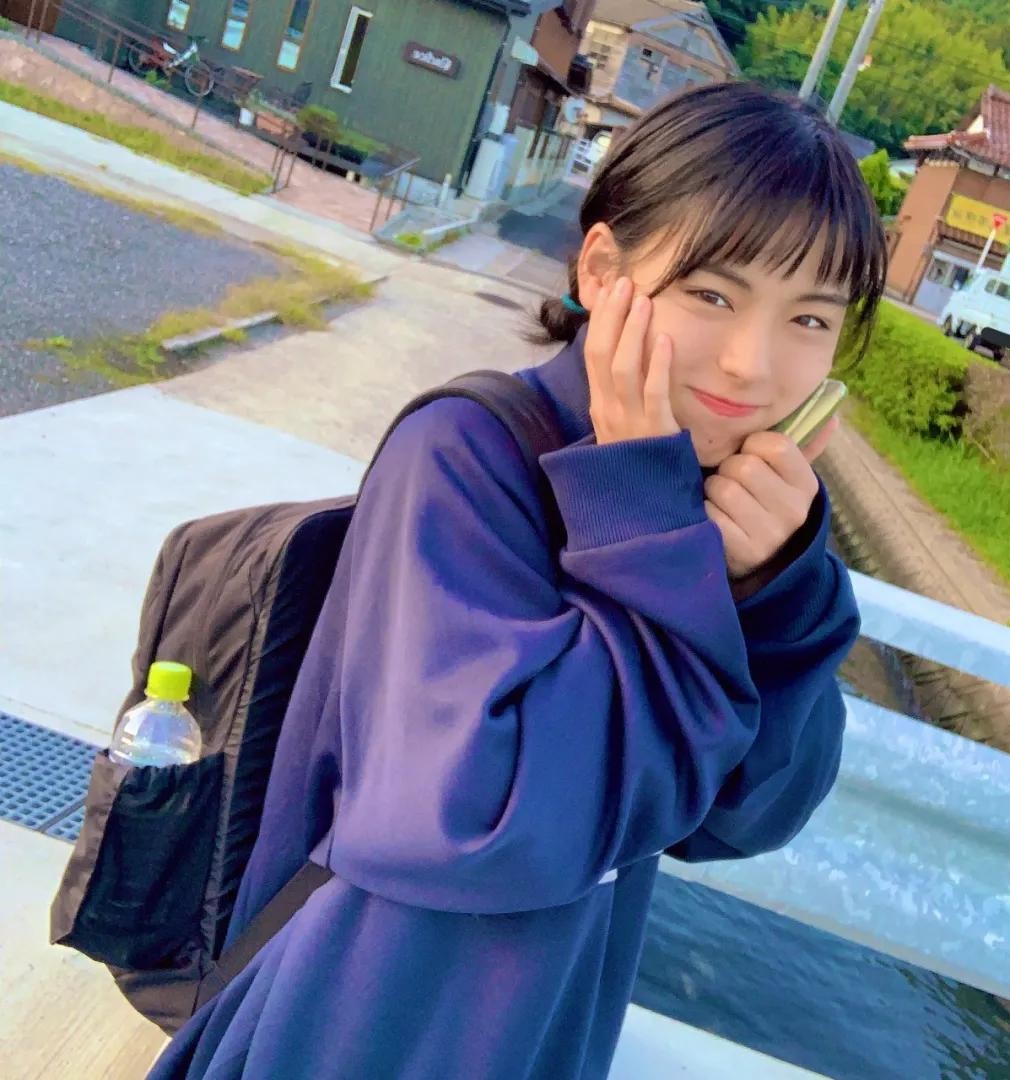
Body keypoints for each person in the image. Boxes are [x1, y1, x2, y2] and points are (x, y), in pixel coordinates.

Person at [149, 82, 886, 1080]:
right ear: (602, 269)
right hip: (348, 1033)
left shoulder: (722, 513)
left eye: (809, 318)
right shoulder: (465, 456)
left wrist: (779, 595)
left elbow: (747, 816)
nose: (754, 364)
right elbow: (489, 819)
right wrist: (642, 522)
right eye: (712, 295)